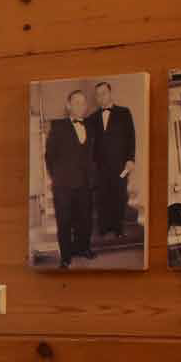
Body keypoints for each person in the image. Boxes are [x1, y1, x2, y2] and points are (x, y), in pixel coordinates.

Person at [44, 89, 97, 267]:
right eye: (77, 102)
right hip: (63, 186)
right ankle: (66, 257)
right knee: (64, 222)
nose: (81, 106)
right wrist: (58, 177)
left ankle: (83, 248)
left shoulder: (91, 127)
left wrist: (92, 177)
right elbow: (49, 156)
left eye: (83, 103)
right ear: (68, 106)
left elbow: (94, 155)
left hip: (85, 184)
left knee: (85, 220)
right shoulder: (58, 127)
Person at [85, 81, 136, 238]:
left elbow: (131, 137)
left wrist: (130, 159)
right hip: (100, 166)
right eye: (98, 95)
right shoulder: (91, 118)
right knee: (102, 197)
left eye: (104, 93)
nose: (101, 97)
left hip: (120, 165)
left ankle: (118, 228)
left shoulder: (124, 113)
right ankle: (104, 228)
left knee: (119, 195)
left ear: (110, 93)